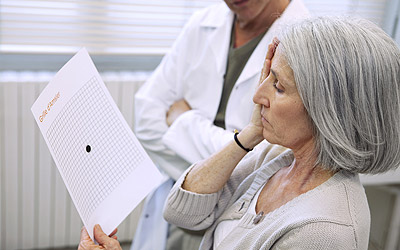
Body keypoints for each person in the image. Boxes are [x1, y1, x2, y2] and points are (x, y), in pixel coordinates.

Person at [78, 16, 400, 249]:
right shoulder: (277, 157)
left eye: (278, 86)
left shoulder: (323, 232)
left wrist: (185, 120)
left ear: (328, 111)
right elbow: (181, 211)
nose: (258, 96)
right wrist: (248, 134)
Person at [132, 0, 309, 249]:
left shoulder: (309, 45)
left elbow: (277, 159)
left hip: (240, 224)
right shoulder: (201, 24)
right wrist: (235, 153)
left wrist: (184, 122)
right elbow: (146, 121)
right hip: (176, 213)